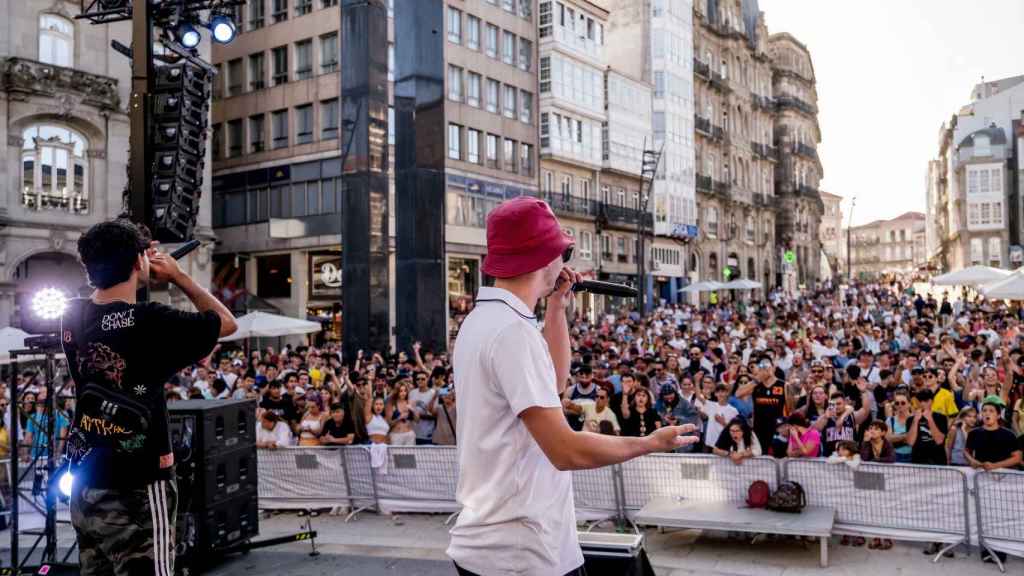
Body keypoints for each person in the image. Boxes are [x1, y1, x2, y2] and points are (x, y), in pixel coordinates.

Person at [447, 197, 697, 576]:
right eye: (561, 253)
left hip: (497, 544)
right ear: (543, 256)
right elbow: (565, 450)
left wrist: (556, 309)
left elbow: (554, 385)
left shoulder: (485, 320)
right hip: (521, 552)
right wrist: (648, 444)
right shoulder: (513, 333)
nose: (564, 264)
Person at [61, 219, 236, 576]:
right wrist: (177, 277)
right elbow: (226, 322)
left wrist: (132, 253)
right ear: (140, 262)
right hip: (138, 482)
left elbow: (109, 311)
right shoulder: (150, 321)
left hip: (84, 478)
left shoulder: (71, 313)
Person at [907, 389, 948, 465]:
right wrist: (915, 421)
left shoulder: (941, 418)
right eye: (920, 400)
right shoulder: (911, 419)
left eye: (926, 400)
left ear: (932, 401)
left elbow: (939, 441)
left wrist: (930, 419)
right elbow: (910, 442)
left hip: (937, 460)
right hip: (918, 460)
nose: (922, 403)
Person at [701, 384, 738, 450]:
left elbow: (736, 429)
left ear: (727, 393)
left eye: (723, 391)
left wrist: (723, 422)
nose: (720, 394)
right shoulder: (711, 405)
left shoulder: (733, 410)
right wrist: (697, 382)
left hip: (725, 443)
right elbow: (699, 397)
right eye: (718, 392)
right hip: (710, 444)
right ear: (715, 394)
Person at [409, 371, 437, 445]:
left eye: (423, 379)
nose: (420, 381)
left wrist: (419, 415)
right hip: (413, 433)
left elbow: (435, 415)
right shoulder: (412, 393)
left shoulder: (433, 393)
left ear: (427, 379)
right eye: (418, 379)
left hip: (427, 433)